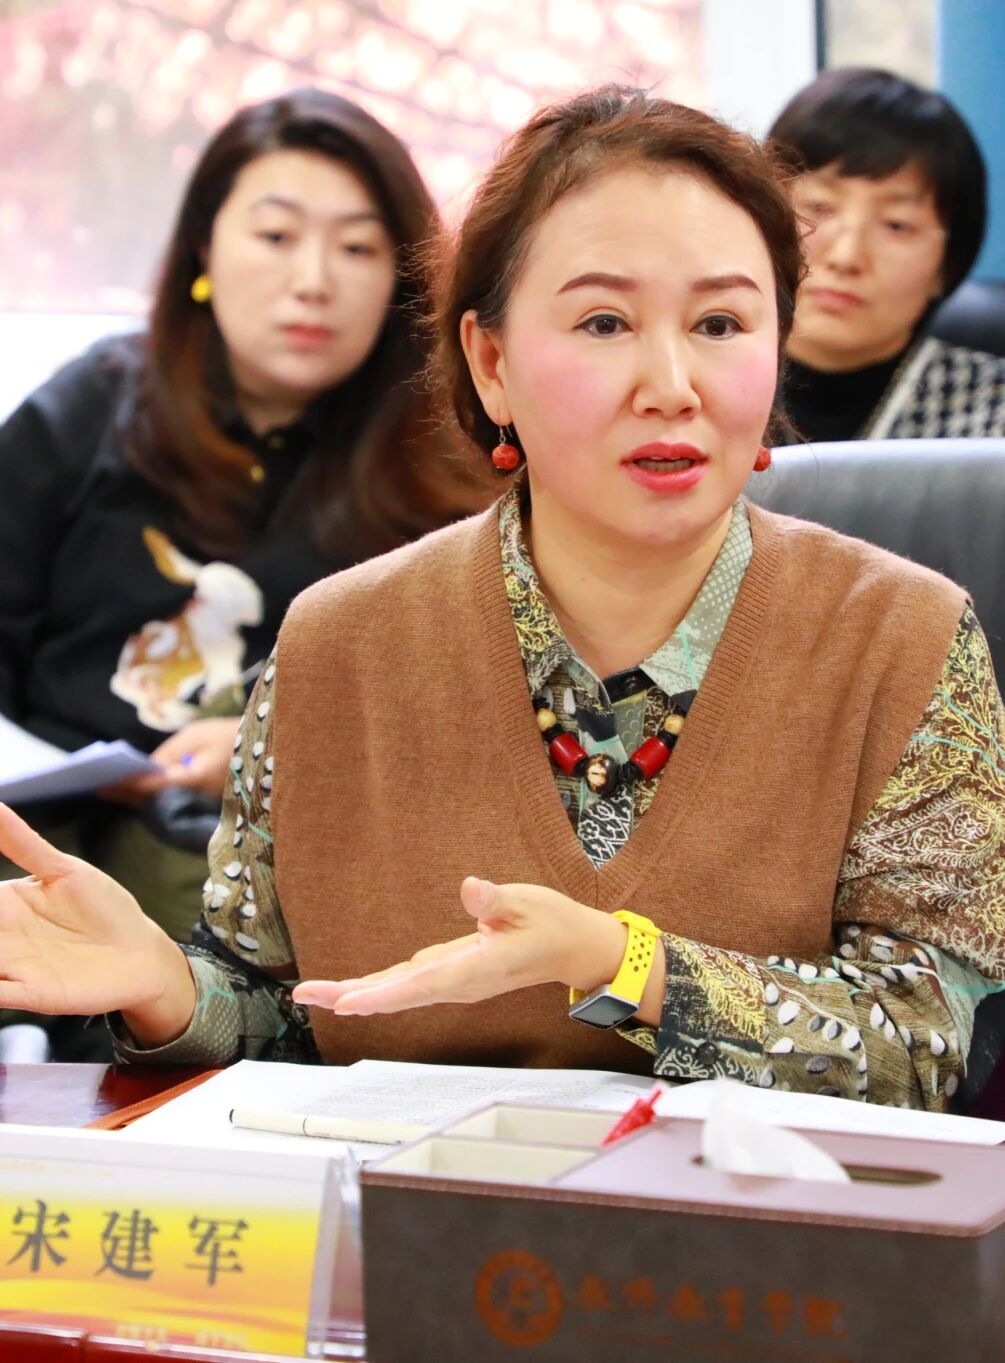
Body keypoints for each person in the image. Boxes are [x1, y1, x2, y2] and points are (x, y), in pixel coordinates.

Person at [0, 86, 1002, 1110]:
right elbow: (278, 1015)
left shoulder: (908, 640)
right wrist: (167, 991)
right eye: (604, 321)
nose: (672, 383)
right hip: (403, 1202)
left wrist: (626, 968)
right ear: (490, 363)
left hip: (763, 1213)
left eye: (720, 322)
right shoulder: (336, 643)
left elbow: (925, 1047)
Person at [0, 88, 490, 1058]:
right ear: (203, 253)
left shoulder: (447, 461)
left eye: (358, 248)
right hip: (45, 832)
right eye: (275, 236)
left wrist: (272, 749)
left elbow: (464, 708)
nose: (313, 281)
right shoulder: (92, 409)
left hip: (283, 873)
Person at [768, 67, 1005, 443]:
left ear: (947, 264)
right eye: (818, 206)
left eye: (897, 225)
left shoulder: (993, 414)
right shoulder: (694, 385)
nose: (847, 257)